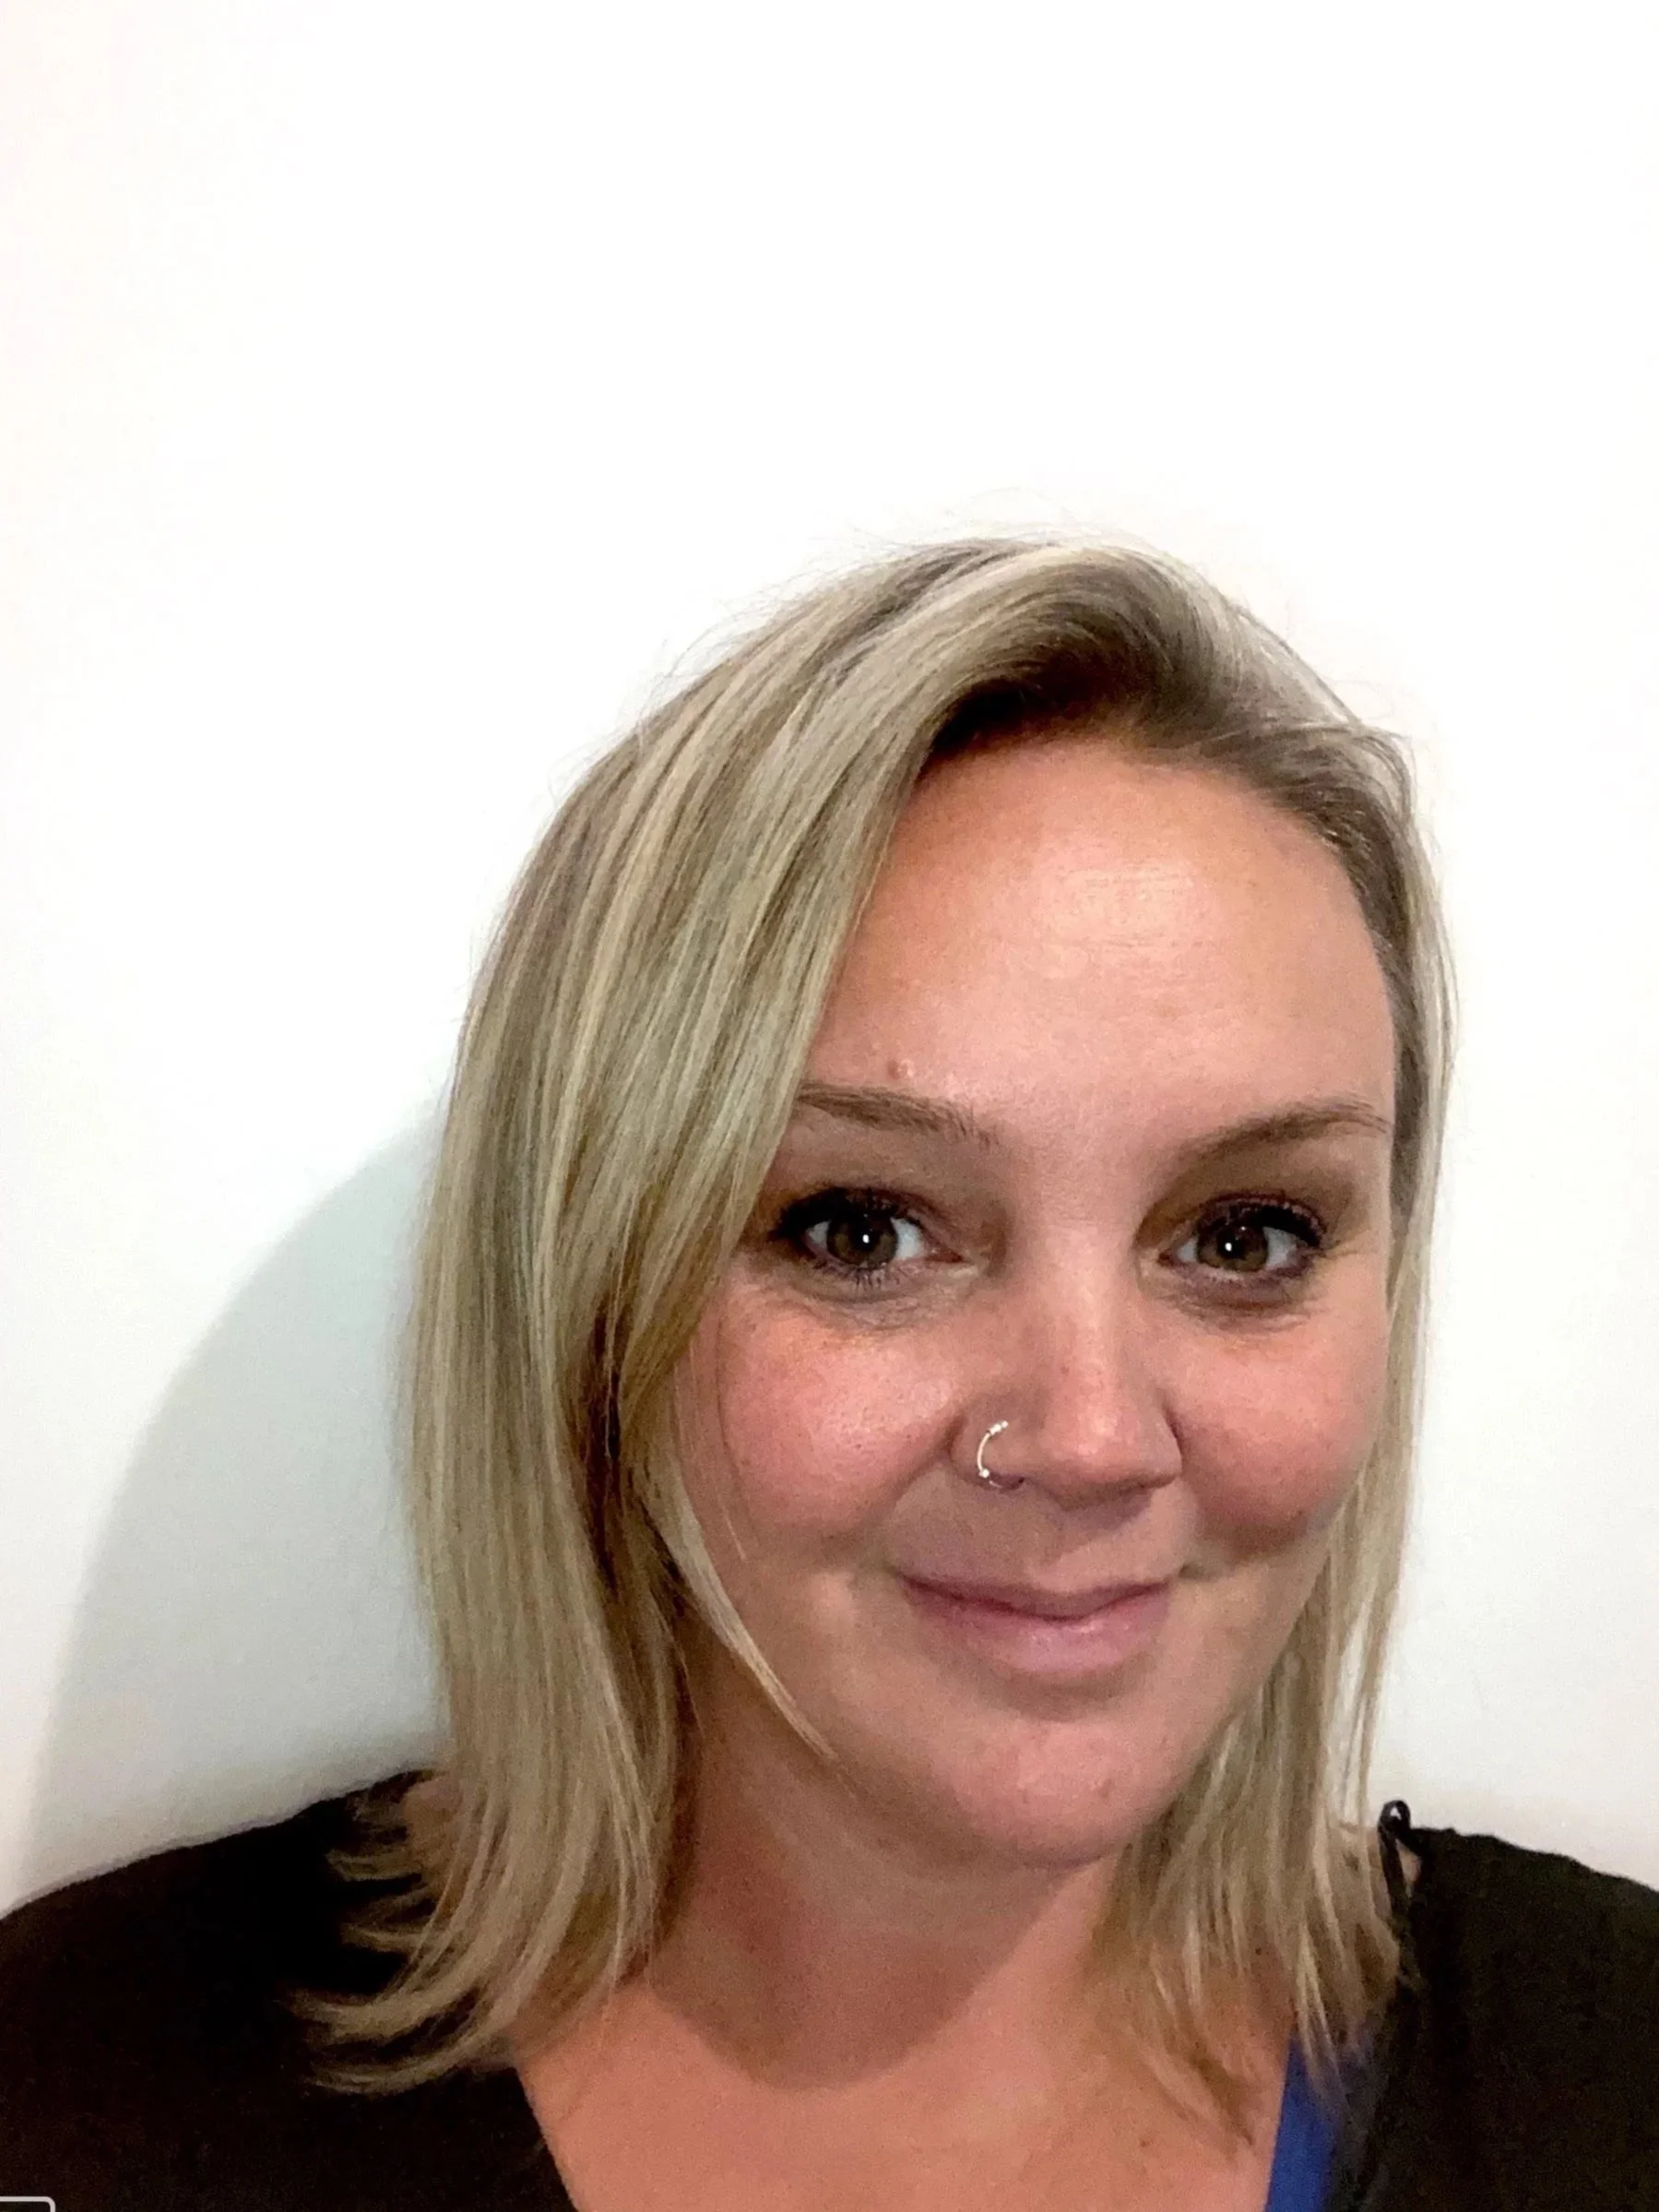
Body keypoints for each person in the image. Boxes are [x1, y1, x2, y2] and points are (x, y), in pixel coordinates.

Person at [2, 538, 1655, 2211]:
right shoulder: (78, 2090)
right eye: (862, 1229)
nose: (1089, 1436)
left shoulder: (1609, 2071)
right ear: (591, 1291)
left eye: (1245, 1235)